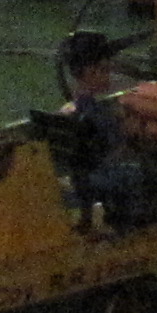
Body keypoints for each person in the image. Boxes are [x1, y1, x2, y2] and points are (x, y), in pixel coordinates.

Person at [55, 29, 148, 229]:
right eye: (105, 70)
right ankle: (128, 222)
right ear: (91, 72)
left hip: (78, 177)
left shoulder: (68, 111)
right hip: (96, 177)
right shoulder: (99, 115)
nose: (109, 76)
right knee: (141, 173)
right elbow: (116, 148)